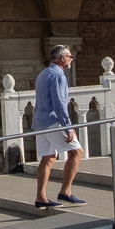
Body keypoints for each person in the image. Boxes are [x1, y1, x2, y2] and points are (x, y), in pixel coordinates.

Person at [33, 45, 86, 209]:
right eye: (70, 56)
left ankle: (41, 197)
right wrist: (68, 127)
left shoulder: (44, 74)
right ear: (62, 58)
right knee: (77, 152)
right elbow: (59, 104)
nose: (71, 59)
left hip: (40, 121)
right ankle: (66, 191)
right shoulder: (57, 76)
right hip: (51, 121)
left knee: (48, 158)